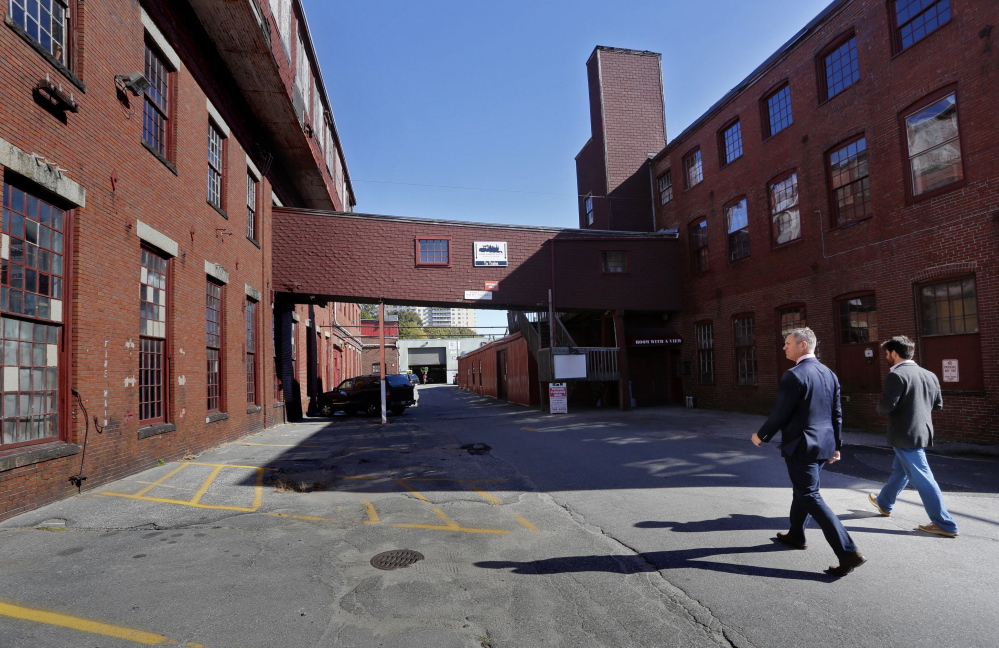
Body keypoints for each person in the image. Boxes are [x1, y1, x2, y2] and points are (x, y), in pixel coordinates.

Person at [751, 327, 866, 577]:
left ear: (803, 345)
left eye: (788, 343)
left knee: (809, 494)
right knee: (803, 489)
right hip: (823, 445)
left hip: (801, 446)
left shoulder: (793, 375)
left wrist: (761, 436)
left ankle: (848, 552)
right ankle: (796, 534)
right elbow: (836, 413)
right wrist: (836, 445)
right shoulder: (830, 374)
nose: (784, 347)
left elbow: (781, 412)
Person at [868, 336, 959, 538]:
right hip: (922, 431)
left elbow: (886, 406)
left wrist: (880, 408)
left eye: (886, 353)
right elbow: (937, 405)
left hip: (904, 433)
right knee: (901, 471)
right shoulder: (929, 374)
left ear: (894, 353)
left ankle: (945, 523)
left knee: (923, 477)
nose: (886, 357)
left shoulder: (896, 375)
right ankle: (884, 502)